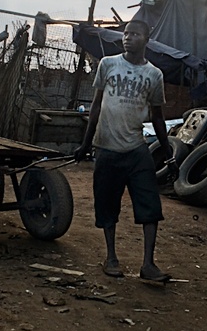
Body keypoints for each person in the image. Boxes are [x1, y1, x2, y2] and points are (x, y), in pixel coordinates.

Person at [73, 19, 173, 284]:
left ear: (146, 40)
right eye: (126, 33)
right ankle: (111, 258)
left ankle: (148, 264)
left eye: (135, 34)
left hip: (136, 150)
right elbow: (95, 106)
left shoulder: (154, 75)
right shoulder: (108, 65)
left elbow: (158, 117)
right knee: (107, 205)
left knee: (150, 206)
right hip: (106, 148)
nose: (128, 38)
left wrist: (169, 153)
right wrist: (85, 144)